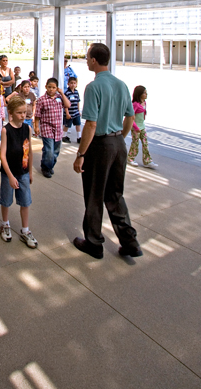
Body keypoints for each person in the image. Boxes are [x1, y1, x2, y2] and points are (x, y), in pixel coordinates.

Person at [72, 43, 142, 259]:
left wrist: (81, 154)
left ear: (93, 60)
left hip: (100, 146)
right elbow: (129, 116)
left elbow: (91, 124)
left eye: (87, 57)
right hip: (118, 144)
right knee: (115, 194)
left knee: (94, 195)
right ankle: (130, 242)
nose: (86, 60)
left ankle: (94, 242)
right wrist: (120, 137)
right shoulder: (121, 84)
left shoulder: (93, 87)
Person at [0, 93, 38, 248]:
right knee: (6, 200)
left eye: (24, 112)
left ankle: (25, 230)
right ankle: (5, 224)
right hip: (8, 172)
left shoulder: (27, 128)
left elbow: (30, 151)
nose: (23, 115)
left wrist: (30, 171)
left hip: (23, 172)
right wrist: (9, 176)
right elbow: (2, 155)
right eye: (19, 113)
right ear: (11, 113)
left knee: (25, 201)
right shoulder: (5, 130)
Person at [34, 77, 70, 179]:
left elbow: (68, 105)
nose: (51, 89)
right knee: (49, 150)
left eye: (53, 87)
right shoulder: (42, 100)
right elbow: (37, 115)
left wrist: (62, 94)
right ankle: (45, 167)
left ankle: (49, 165)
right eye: (49, 87)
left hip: (58, 128)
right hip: (47, 127)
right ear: (45, 87)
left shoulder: (59, 98)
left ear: (57, 88)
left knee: (56, 151)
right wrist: (37, 126)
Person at [127, 85, 156, 169]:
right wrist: (136, 128)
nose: (146, 94)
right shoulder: (135, 104)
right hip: (136, 128)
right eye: (144, 93)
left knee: (145, 143)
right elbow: (131, 117)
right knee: (135, 143)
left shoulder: (144, 103)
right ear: (139, 94)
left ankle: (147, 160)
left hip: (142, 126)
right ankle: (130, 158)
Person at [62, 76, 81, 142]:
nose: (73, 84)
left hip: (75, 112)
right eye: (71, 83)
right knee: (67, 125)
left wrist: (78, 111)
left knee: (78, 124)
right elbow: (65, 104)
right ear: (68, 84)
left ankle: (79, 137)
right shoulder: (67, 93)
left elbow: (78, 102)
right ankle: (64, 136)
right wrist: (67, 113)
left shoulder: (76, 92)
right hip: (69, 113)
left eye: (74, 83)